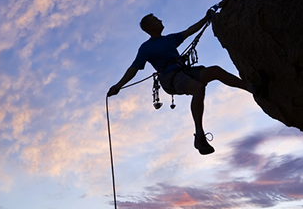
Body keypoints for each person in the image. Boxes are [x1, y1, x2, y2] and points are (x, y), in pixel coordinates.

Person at [107, 9, 268, 155]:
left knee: (215, 71)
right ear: (150, 27)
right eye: (156, 20)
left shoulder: (170, 39)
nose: (160, 21)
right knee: (198, 88)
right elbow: (133, 68)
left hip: (182, 71)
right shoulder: (146, 48)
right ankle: (199, 135)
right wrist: (118, 86)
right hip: (169, 78)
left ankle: (252, 88)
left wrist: (206, 18)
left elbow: (190, 31)